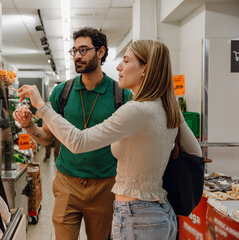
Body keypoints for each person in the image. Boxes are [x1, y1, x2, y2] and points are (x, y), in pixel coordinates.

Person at [14, 40, 202, 239]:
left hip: (135, 216)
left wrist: (42, 107)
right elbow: (194, 153)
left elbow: (78, 142)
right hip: (162, 213)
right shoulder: (168, 107)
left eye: (127, 61)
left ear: (144, 70)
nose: (119, 67)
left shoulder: (135, 109)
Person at [13, 27, 132, 240]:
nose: (77, 55)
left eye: (84, 50)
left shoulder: (121, 96)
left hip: (105, 185)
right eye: (74, 50)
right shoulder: (62, 92)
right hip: (67, 184)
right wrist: (30, 125)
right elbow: (47, 137)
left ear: (101, 51)